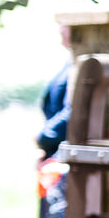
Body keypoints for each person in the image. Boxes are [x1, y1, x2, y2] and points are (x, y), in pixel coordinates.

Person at [37, 23, 73, 157]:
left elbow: (72, 110)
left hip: (62, 149)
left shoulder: (76, 65)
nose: (62, 42)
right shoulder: (68, 63)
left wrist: (44, 136)